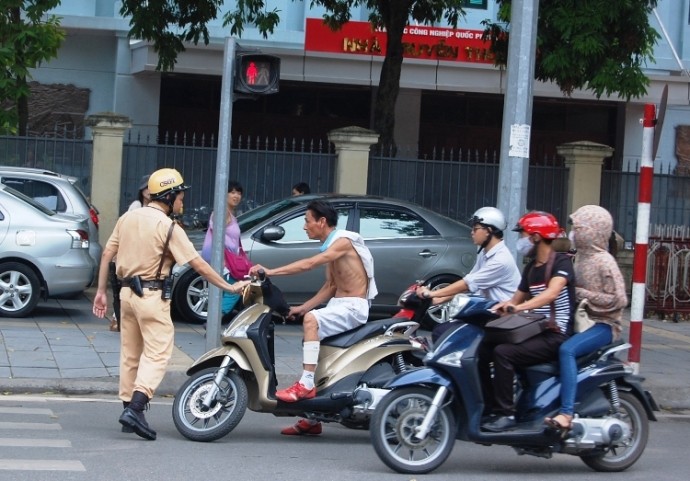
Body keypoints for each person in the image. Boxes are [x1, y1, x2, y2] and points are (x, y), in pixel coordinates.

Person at [92, 168, 247, 441]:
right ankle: (137, 406)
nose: (182, 202)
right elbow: (198, 264)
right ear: (169, 195)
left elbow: (108, 253)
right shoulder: (168, 226)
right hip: (151, 296)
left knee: (130, 354)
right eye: (180, 196)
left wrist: (101, 291)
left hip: (125, 296)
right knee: (158, 352)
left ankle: (131, 412)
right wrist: (228, 285)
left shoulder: (127, 218)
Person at [249, 200, 377, 436]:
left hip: (354, 307)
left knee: (312, 321)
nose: (305, 227)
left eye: (307, 221)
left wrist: (271, 271)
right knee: (313, 337)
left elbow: (308, 265)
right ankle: (312, 418)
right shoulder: (330, 247)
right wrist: (303, 307)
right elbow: (330, 286)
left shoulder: (343, 242)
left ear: (321, 222)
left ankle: (306, 385)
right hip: (340, 304)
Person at [481, 211, 575, 432]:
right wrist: (492, 308)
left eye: (522, 234)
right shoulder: (531, 268)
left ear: (535, 237)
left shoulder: (561, 262)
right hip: (537, 331)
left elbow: (551, 294)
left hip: (556, 334)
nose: (520, 240)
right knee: (483, 347)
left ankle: (506, 414)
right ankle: (487, 406)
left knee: (504, 353)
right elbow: (514, 299)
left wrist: (519, 307)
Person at [544, 205, 628, 433]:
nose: (573, 233)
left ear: (591, 231)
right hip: (581, 321)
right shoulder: (578, 257)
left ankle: (566, 412)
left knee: (567, 350)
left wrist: (582, 295)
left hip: (603, 325)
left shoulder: (604, 261)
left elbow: (619, 299)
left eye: (577, 228)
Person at [416, 207, 521, 342]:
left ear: (488, 231)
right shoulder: (485, 253)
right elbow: (470, 283)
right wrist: (439, 300)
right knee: (442, 331)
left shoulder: (500, 260)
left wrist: (432, 294)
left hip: (500, 318)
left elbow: (468, 284)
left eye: (475, 229)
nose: (472, 233)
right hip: (486, 312)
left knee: (444, 334)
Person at [109, 174, 152, 332]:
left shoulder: (154, 208)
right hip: (132, 253)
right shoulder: (136, 206)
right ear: (141, 190)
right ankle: (116, 318)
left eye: (150, 187)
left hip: (144, 254)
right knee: (127, 287)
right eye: (145, 187)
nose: (148, 191)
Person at [201, 181, 245, 321]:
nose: (236, 196)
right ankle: (214, 321)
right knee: (234, 290)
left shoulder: (230, 215)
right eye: (232, 192)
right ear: (224, 195)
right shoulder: (222, 213)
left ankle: (213, 322)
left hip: (227, 261)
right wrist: (223, 261)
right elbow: (218, 236)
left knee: (223, 291)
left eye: (238, 193)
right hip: (224, 262)